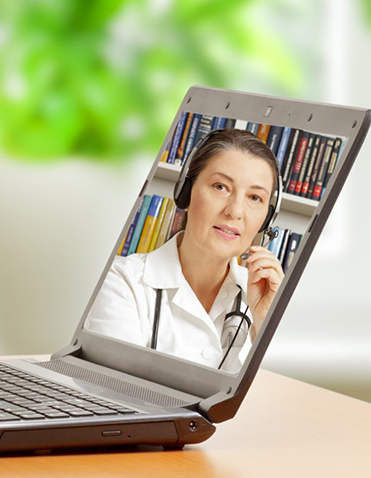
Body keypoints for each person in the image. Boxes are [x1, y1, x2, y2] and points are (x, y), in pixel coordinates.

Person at [84, 128, 286, 373]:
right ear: (186, 193)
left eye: (254, 198)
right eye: (220, 186)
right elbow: (114, 391)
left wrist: (264, 325)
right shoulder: (123, 281)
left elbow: (278, 402)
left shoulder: (263, 297)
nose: (235, 211)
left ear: (266, 220)